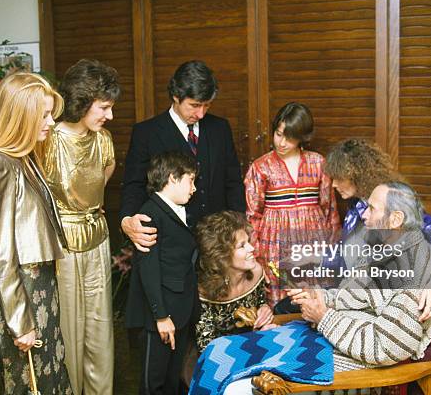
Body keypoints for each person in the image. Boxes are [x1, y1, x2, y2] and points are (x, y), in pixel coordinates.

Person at [221, 182, 431, 394]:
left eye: (372, 209)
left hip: (346, 366)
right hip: (327, 341)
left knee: (235, 385)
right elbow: (352, 295)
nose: (364, 216)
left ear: (396, 219)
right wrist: (317, 297)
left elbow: (385, 346)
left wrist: (324, 316)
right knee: (221, 353)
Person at [0, 72, 72, 394]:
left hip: (40, 286)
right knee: (31, 384)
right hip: (23, 292)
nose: (51, 122)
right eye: (42, 114)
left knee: (52, 376)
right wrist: (20, 321)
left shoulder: (23, 159)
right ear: (19, 116)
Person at [40, 59, 119, 395]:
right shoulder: (47, 141)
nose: (109, 116)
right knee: (68, 333)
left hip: (97, 241)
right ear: (82, 101)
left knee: (100, 332)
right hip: (62, 248)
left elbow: (104, 176)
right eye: (104, 107)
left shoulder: (103, 140)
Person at [324, 139, 431, 321]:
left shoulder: (393, 205)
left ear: (357, 175)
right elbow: (347, 255)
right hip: (350, 296)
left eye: (339, 177)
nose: (334, 184)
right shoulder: (355, 208)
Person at [120, 60, 245, 251]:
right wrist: (127, 219)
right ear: (176, 96)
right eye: (194, 105)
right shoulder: (146, 133)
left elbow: (233, 181)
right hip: (168, 243)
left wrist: (239, 226)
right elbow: (134, 185)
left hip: (218, 242)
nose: (201, 114)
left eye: (207, 106)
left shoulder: (220, 128)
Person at [244, 102, 340, 307]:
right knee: (280, 304)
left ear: (302, 137)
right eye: (278, 134)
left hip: (313, 241)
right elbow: (253, 216)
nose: (282, 142)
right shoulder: (261, 167)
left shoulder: (318, 163)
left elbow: (330, 210)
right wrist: (257, 257)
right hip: (275, 243)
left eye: (290, 137)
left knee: (312, 301)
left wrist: (333, 252)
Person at [125, 151, 200, 395]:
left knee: (171, 381)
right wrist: (160, 316)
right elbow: (148, 270)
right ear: (173, 178)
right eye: (191, 180)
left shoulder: (180, 210)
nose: (194, 188)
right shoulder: (150, 214)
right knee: (152, 384)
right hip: (160, 315)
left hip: (179, 310)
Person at [195, 211, 276, 352]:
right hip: (219, 360)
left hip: (255, 349)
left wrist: (264, 310)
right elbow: (207, 347)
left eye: (248, 242)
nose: (251, 248)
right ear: (221, 255)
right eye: (242, 246)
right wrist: (254, 341)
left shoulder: (256, 271)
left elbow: (260, 303)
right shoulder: (203, 290)